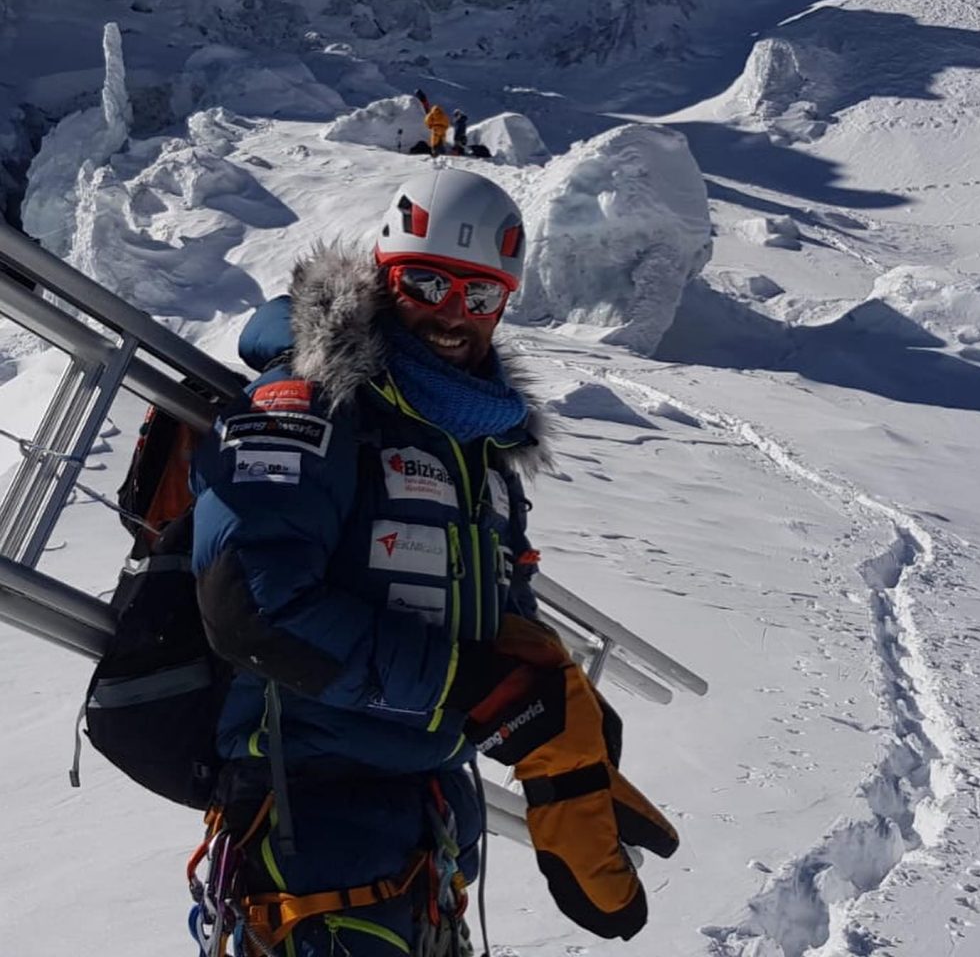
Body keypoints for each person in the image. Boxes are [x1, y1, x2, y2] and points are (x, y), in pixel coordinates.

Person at [190, 168, 677, 956]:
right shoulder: (309, 400)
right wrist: (471, 687)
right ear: (384, 277)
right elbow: (251, 604)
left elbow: (496, 605)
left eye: (480, 295)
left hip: (432, 810)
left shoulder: (472, 446)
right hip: (309, 808)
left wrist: (560, 717)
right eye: (428, 282)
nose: (454, 313)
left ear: (506, 303)